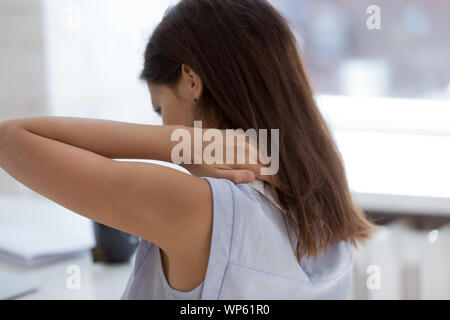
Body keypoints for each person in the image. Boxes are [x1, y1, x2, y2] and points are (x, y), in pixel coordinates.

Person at [0, 0, 376, 299]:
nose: (164, 123)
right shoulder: (324, 212)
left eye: (160, 108)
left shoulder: (197, 209)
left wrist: (187, 144)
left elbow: (11, 139)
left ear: (191, 81)